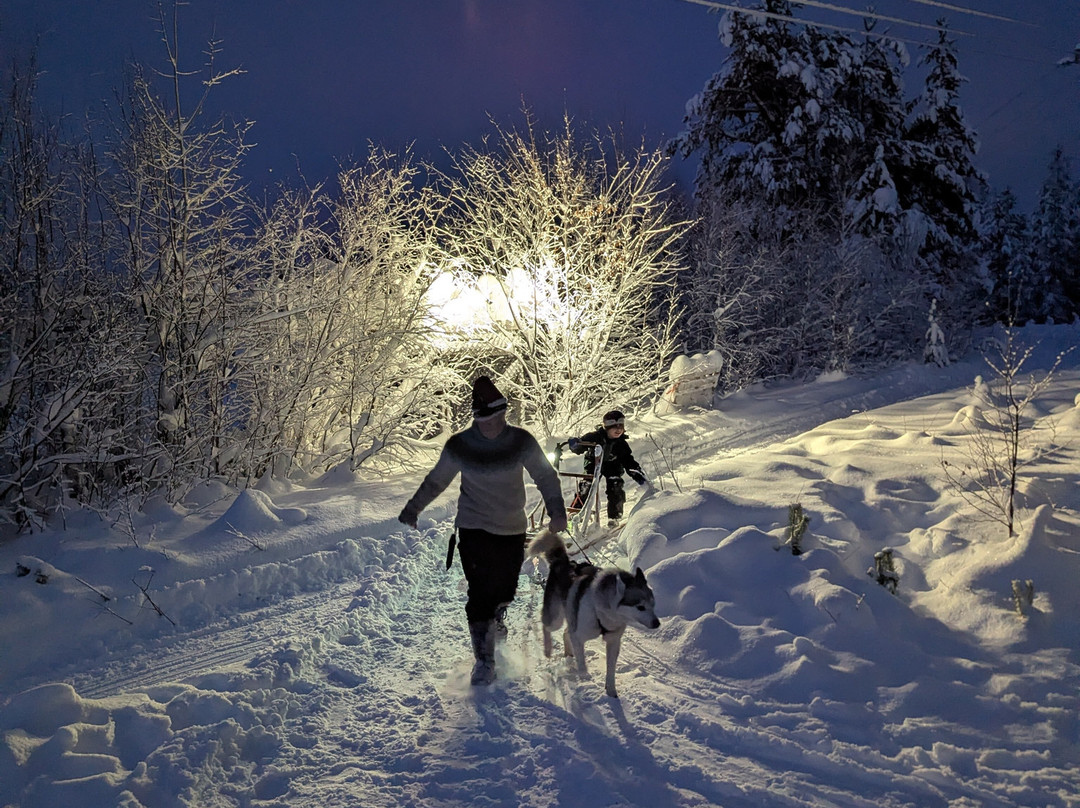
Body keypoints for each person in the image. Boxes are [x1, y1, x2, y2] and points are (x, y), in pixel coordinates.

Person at [398, 376, 567, 686]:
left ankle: (497, 617)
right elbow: (437, 479)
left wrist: (557, 511)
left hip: (511, 530)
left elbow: (545, 475)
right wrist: (414, 508)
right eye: (485, 419)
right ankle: (484, 661)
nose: (491, 425)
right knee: (479, 595)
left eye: (496, 418)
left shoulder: (520, 441)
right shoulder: (461, 445)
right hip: (473, 528)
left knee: (504, 592)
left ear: (504, 413)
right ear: (476, 418)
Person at [568, 410, 646, 527]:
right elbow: (580, 446)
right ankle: (575, 512)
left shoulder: (621, 443)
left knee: (616, 486)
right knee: (587, 486)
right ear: (606, 427)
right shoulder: (595, 436)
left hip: (613, 466)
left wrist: (637, 474)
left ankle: (614, 517)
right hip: (594, 464)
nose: (618, 430)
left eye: (620, 427)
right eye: (614, 427)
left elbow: (628, 461)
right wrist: (575, 445)